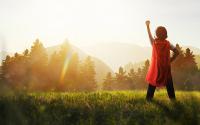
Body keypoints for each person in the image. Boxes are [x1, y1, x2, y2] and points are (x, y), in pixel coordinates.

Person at [145, 20, 179, 101]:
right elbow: (177, 52)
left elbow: (149, 35)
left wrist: (147, 26)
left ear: (156, 34)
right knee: (169, 84)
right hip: (166, 68)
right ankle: (173, 100)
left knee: (153, 82)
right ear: (165, 34)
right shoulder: (168, 44)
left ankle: (148, 100)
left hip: (156, 68)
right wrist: (170, 60)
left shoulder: (154, 43)